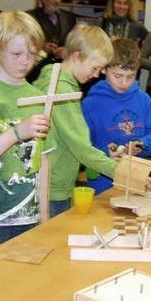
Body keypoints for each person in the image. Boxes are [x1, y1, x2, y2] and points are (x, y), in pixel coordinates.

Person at [0, 11, 52, 257]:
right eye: (17, 54)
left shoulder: (36, 96)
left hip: (30, 217)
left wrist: (44, 215)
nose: (25, 61)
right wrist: (17, 133)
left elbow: (43, 158)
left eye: (31, 54)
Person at [32, 25, 120, 217]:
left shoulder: (53, 79)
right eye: (95, 67)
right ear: (77, 56)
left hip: (49, 183)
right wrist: (123, 172)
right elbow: (81, 147)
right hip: (52, 190)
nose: (96, 75)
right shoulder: (62, 91)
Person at [81, 38, 151, 193]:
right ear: (104, 69)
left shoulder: (143, 99)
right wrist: (107, 155)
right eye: (117, 76)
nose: (124, 83)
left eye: (131, 76)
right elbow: (82, 147)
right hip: (102, 186)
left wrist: (141, 145)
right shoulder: (90, 104)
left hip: (137, 184)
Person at [26, 0, 77, 81]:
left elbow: (75, 43)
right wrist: (41, 46)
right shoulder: (30, 17)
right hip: (35, 71)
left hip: (62, 72)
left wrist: (67, 50)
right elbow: (24, 41)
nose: (57, 1)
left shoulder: (69, 18)